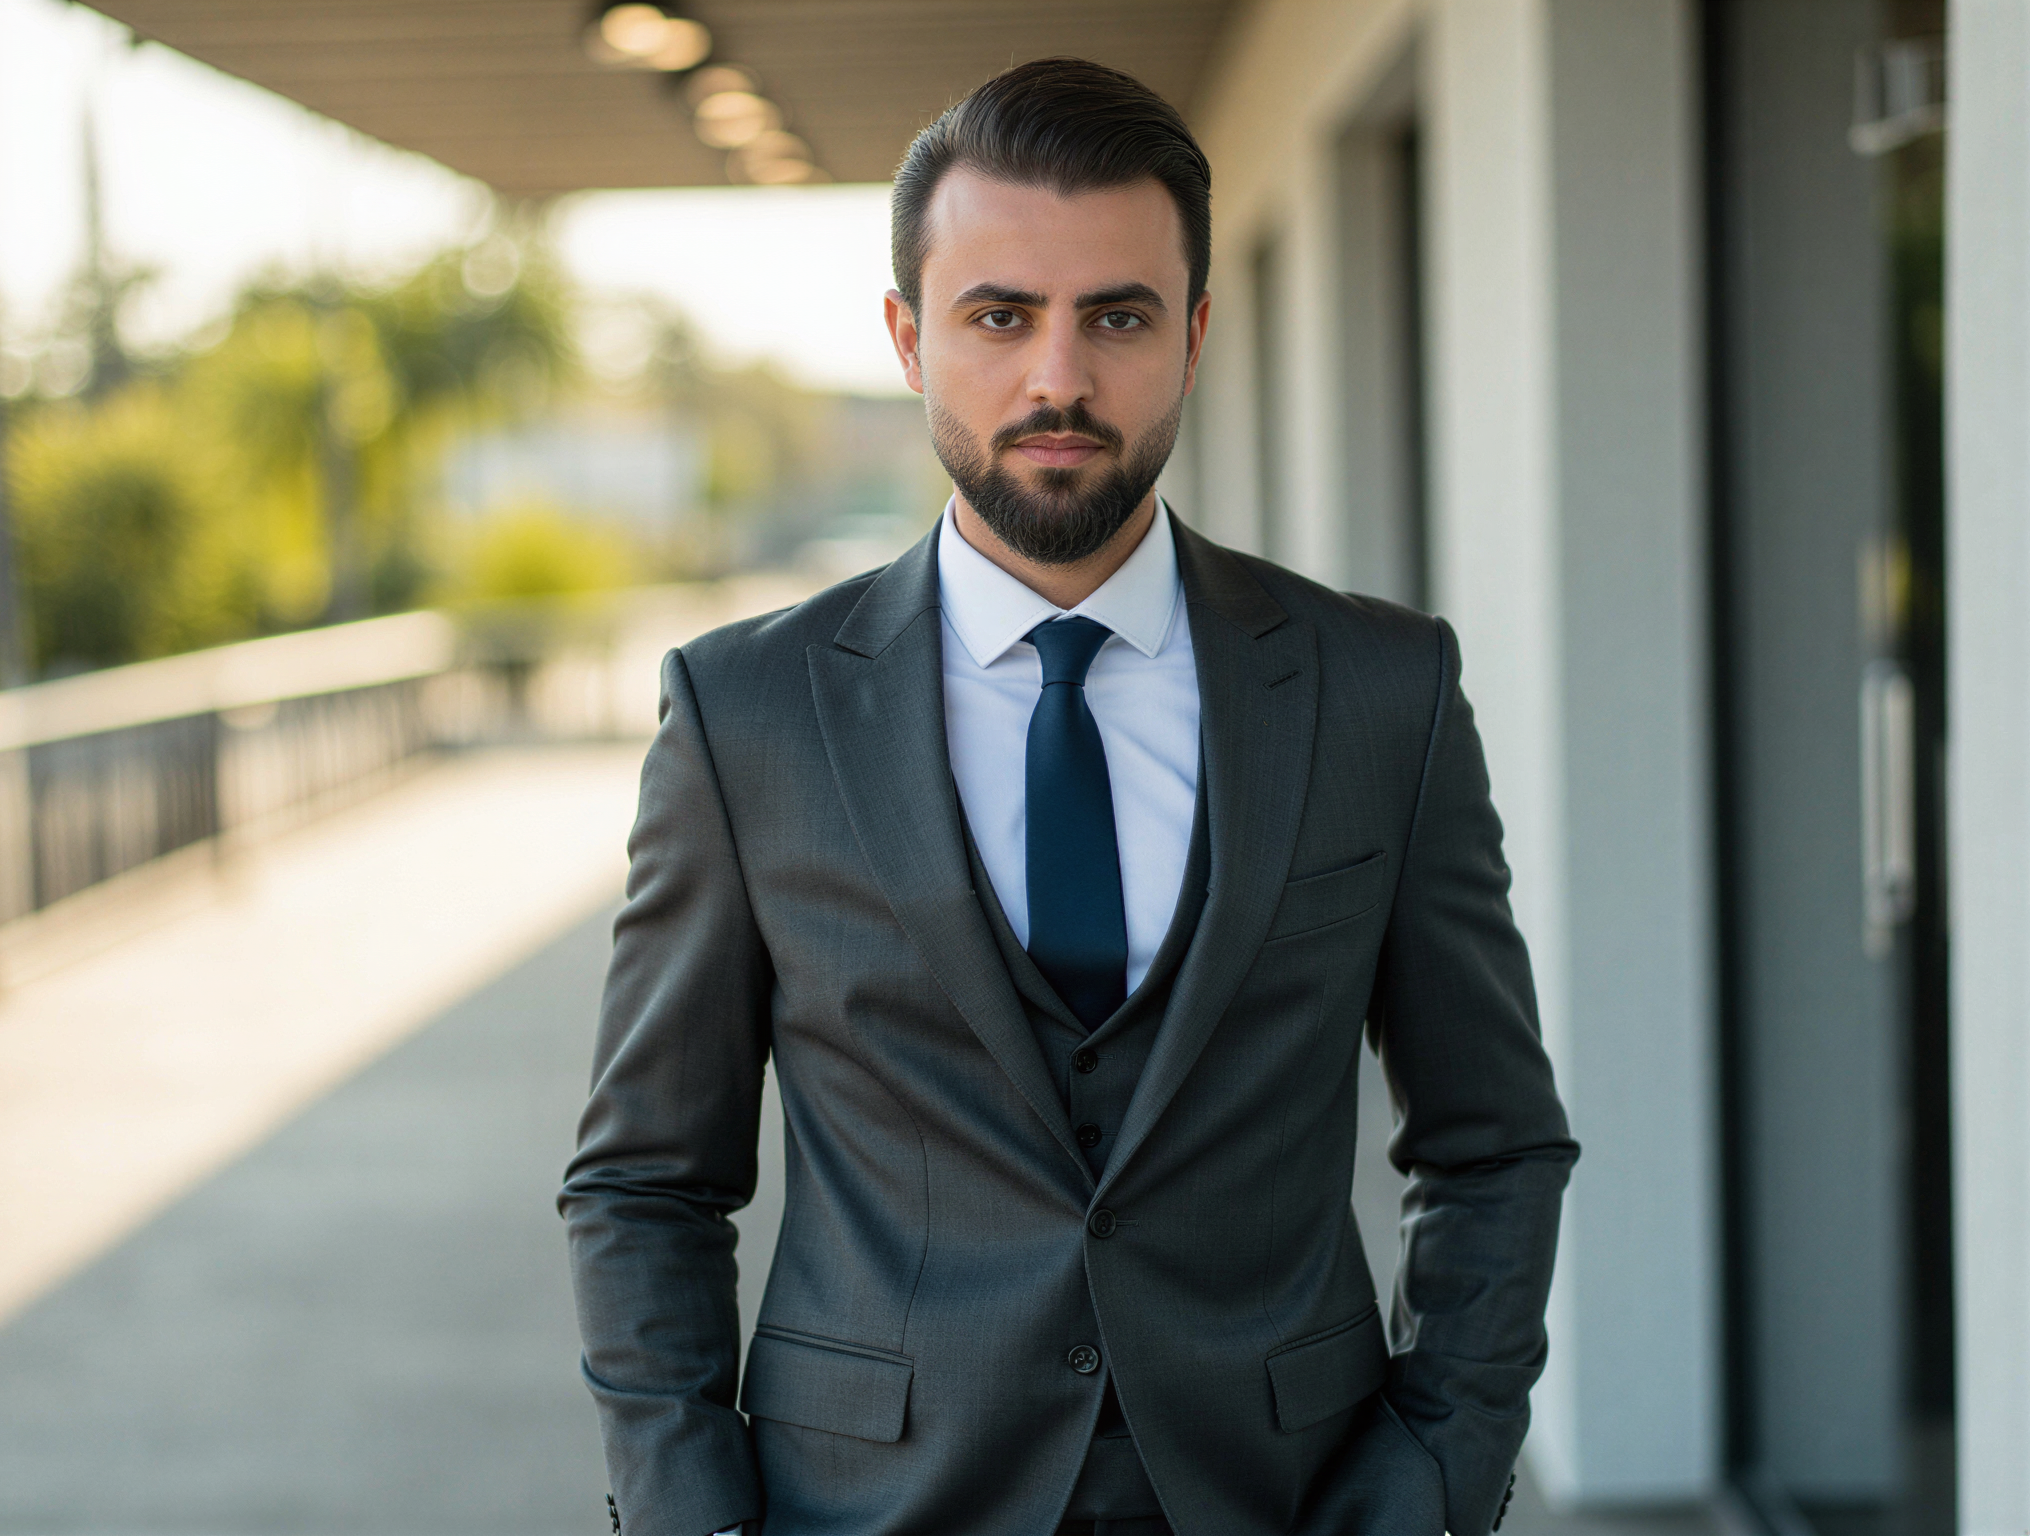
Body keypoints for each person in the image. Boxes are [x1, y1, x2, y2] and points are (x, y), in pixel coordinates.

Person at [561, 56, 1577, 1536]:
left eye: (1117, 314)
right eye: (999, 316)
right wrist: (691, 1512)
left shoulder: (1381, 693)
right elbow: (648, 1181)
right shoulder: (750, 714)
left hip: (1284, 1494)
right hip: (869, 1501)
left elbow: (1494, 1143)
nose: (1058, 378)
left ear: (1196, 333)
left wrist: (1432, 1474)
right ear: (908, 339)